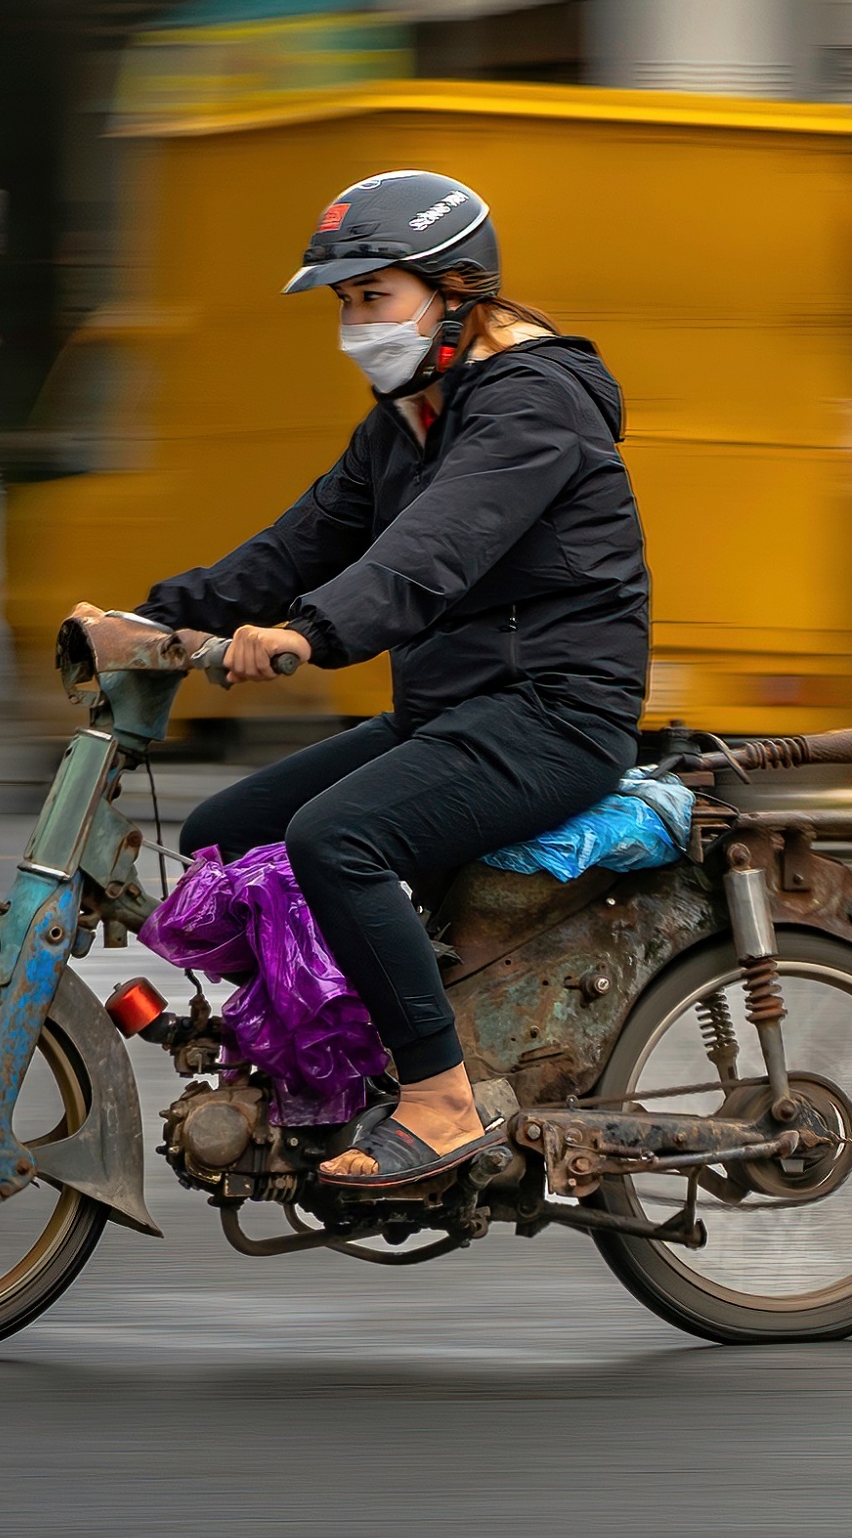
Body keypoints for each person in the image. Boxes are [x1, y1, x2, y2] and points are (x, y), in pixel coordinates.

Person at [76, 171, 649, 1187]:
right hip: (454, 712)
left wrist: (310, 633)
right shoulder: (404, 420)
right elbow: (298, 542)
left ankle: (437, 1098)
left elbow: (436, 547)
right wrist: (156, 617)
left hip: (553, 714)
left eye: (372, 295)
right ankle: (332, 1053)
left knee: (336, 837)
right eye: (343, 302)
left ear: (457, 290)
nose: (354, 324)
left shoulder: (533, 404)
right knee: (224, 830)